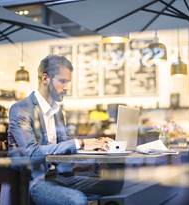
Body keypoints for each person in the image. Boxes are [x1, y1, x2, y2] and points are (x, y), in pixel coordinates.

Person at [7, 55, 119, 205]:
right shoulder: (21, 109)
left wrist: (97, 145)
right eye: (62, 81)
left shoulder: (57, 111)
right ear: (45, 79)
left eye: (68, 82)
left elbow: (65, 144)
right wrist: (80, 143)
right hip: (34, 182)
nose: (66, 87)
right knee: (77, 200)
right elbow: (32, 153)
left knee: (113, 185)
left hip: (60, 177)